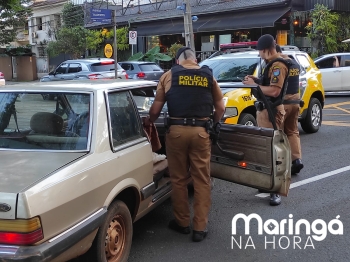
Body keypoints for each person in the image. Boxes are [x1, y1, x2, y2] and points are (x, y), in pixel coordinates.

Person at [144, 47, 225, 242]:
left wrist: (148, 122)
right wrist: (213, 122)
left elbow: (155, 110)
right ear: (195, 59)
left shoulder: (169, 76)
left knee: (178, 179)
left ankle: (181, 223)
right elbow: (221, 106)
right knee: (202, 179)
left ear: (178, 61)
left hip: (177, 133)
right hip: (201, 132)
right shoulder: (208, 77)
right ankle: (200, 227)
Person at [242, 34, 289, 206]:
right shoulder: (271, 65)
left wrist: (254, 85)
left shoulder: (278, 66)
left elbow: (275, 91)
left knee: (273, 152)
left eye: (260, 52)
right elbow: (267, 84)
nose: (259, 55)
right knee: (265, 150)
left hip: (272, 112)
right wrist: (255, 80)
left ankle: (275, 190)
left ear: (265, 50)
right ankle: (267, 184)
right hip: (264, 111)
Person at [275, 45, 304, 175]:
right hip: (295, 101)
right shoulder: (294, 62)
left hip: (284, 103)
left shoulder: (279, 64)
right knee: (293, 131)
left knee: (278, 134)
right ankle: (296, 160)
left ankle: (281, 165)